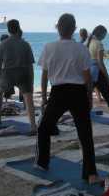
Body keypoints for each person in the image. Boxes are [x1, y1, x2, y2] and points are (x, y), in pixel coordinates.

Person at [35, 14, 100, 183]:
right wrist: (89, 97)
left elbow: (44, 76)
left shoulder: (49, 47)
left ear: (58, 28)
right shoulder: (81, 48)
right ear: (74, 29)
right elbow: (87, 77)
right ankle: (91, 173)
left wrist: (44, 97)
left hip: (58, 92)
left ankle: (42, 162)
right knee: (85, 134)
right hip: (78, 92)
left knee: (44, 128)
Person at [0, 19, 37, 134]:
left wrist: (0, 80)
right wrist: (31, 82)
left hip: (8, 74)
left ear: (8, 30)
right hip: (24, 74)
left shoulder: (3, 44)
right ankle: (33, 125)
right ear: (18, 28)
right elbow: (30, 65)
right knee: (28, 98)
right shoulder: (25, 44)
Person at [86, 25, 109, 123]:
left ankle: (85, 115)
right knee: (108, 96)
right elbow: (100, 62)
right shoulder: (99, 43)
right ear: (101, 34)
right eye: (105, 35)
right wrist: (108, 78)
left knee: (87, 95)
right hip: (96, 72)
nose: (105, 37)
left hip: (87, 71)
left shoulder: (88, 41)